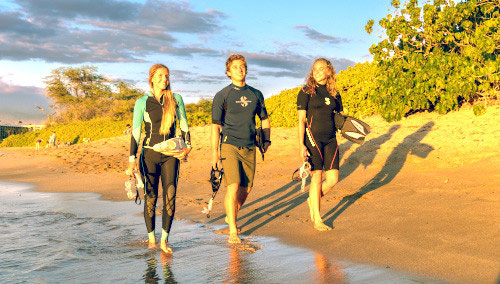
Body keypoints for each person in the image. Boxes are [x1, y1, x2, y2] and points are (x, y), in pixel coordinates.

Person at [127, 63, 191, 253]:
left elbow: (185, 126)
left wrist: (187, 147)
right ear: (152, 78)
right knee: (150, 198)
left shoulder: (176, 99)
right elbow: (136, 133)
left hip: (171, 155)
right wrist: (131, 160)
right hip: (149, 155)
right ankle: (151, 240)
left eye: (167, 76)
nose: (165, 79)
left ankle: (164, 240)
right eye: (161, 76)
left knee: (170, 194)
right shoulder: (142, 102)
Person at [211, 54, 271, 244]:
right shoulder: (223, 95)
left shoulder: (256, 94)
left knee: (246, 189)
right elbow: (215, 126)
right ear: (228, 72)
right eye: (235, 67)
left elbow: (264, 119)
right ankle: (233, 231)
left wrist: (267, 140)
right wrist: (215, 153)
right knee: (233, 186)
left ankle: (232, 215)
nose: (240, 69)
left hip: (250, 146)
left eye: (242, 66)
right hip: (229, 145)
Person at [297, 58, 343, 231]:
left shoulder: (335, 93)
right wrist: (301, 145)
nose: (317, 71)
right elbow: (301, 120)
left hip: (331, 140)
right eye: (314, 69)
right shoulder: (306, 92)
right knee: (316, 177)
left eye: (321, 68)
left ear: (329, 71)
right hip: (312, 138)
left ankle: (312, 199)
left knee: (333, 179)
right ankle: (317, 219)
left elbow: (340, 118)